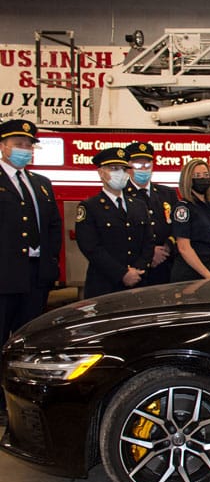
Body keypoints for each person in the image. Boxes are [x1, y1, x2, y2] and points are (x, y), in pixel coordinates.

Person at [0, 119, 62, 348]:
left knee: (29, 339)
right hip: (4, 276)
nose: (24, 150)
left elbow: (54, 225)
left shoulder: (41, 183)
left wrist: (50, 261)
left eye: (28, 145)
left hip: (36, 276)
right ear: (3, 146)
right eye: (18, 144)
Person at [75, 147, 153, 298]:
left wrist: (138, 270)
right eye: (114, 169)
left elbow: (148, 242)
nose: (121, 174)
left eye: (124, 169)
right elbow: (91, 247)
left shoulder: (138, 205)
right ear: (101, 172)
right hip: (104, 285)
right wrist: (122, 274)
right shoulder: (90, 207)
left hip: (138, 282)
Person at [124, 141, 179, 285]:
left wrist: (167, 247)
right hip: (136, 269)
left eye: (147, 165)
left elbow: (178, 226)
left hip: (166, 267)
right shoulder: (122, 195)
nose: (143, 169)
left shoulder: (167, 194)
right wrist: (149, 254)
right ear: (128, 168)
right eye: (137, 165)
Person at [170, 158, 210, 281]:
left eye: (206, 175)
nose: (202, 179)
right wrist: (208, 276)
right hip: (190, 273)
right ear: (188, 180)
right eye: (197, 176)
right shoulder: (183, 208)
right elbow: (184, 248)